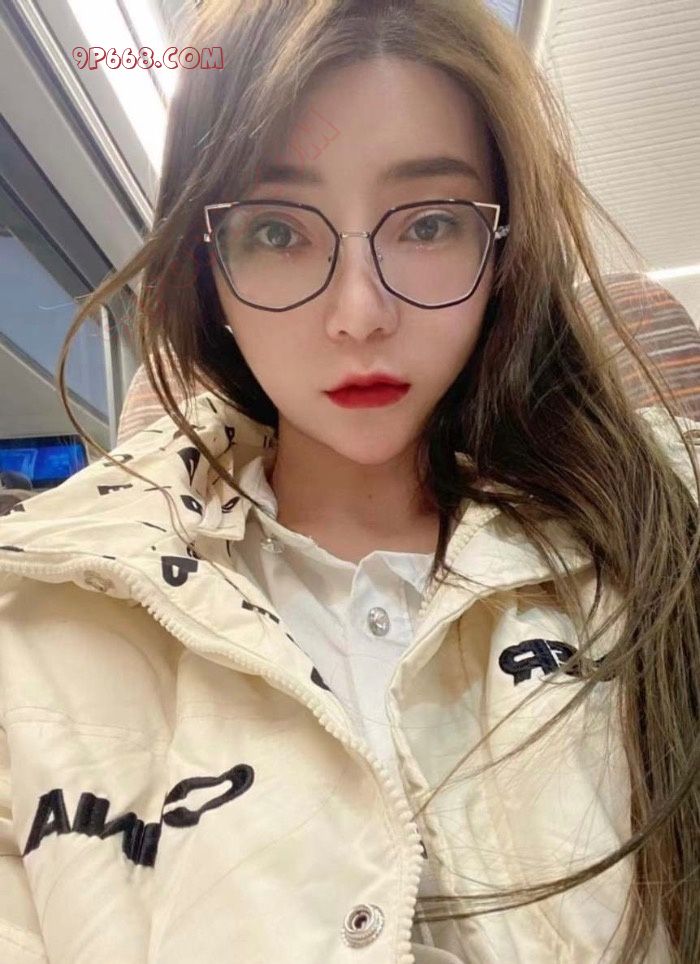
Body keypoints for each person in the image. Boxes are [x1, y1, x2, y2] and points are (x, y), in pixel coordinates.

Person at [0, 1, 698, 961]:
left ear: (502, 250)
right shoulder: (31, 610)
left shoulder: (664, 524)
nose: (359, 314)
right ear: (209, 267)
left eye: (430, 223)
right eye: (278, 232)